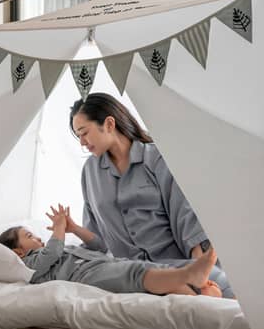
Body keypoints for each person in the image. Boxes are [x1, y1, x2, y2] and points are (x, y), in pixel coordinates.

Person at [66, 92, 234, 298]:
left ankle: (194, 286)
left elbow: (186, 217)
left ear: (109, 124)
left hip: (175, 264)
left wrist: (203, 268)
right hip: (128, 272)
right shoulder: (90, 172)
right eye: (78, 136)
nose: (82, 142)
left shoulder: (157, 158)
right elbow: (94, 233)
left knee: (222, 288)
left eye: (84, 132)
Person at [0, 205, 223, 297]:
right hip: (84, 276)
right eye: (29, 237)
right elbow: (52, 254)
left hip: (105, 263)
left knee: (147, 268)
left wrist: (74, 228)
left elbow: (99, 246)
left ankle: (199, 294)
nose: (37, 237)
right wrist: (59, 230)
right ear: (19, 252)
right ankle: (190, 276)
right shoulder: (27, 266)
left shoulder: (64, 247)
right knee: (134, 275)